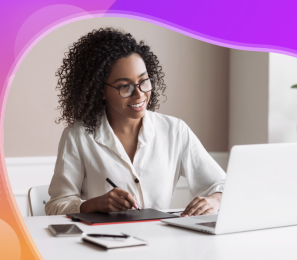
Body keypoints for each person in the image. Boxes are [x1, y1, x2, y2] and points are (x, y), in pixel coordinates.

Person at [45, 27, 226, 217]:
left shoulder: (175, 131)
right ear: (100, 91)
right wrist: (94, 204)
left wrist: (214, 200)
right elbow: (55, 206)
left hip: (160, 241)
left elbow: (222, 184)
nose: (139, 94)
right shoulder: (78, 136)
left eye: (144, 81)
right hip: (102, 241)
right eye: (125, 86)